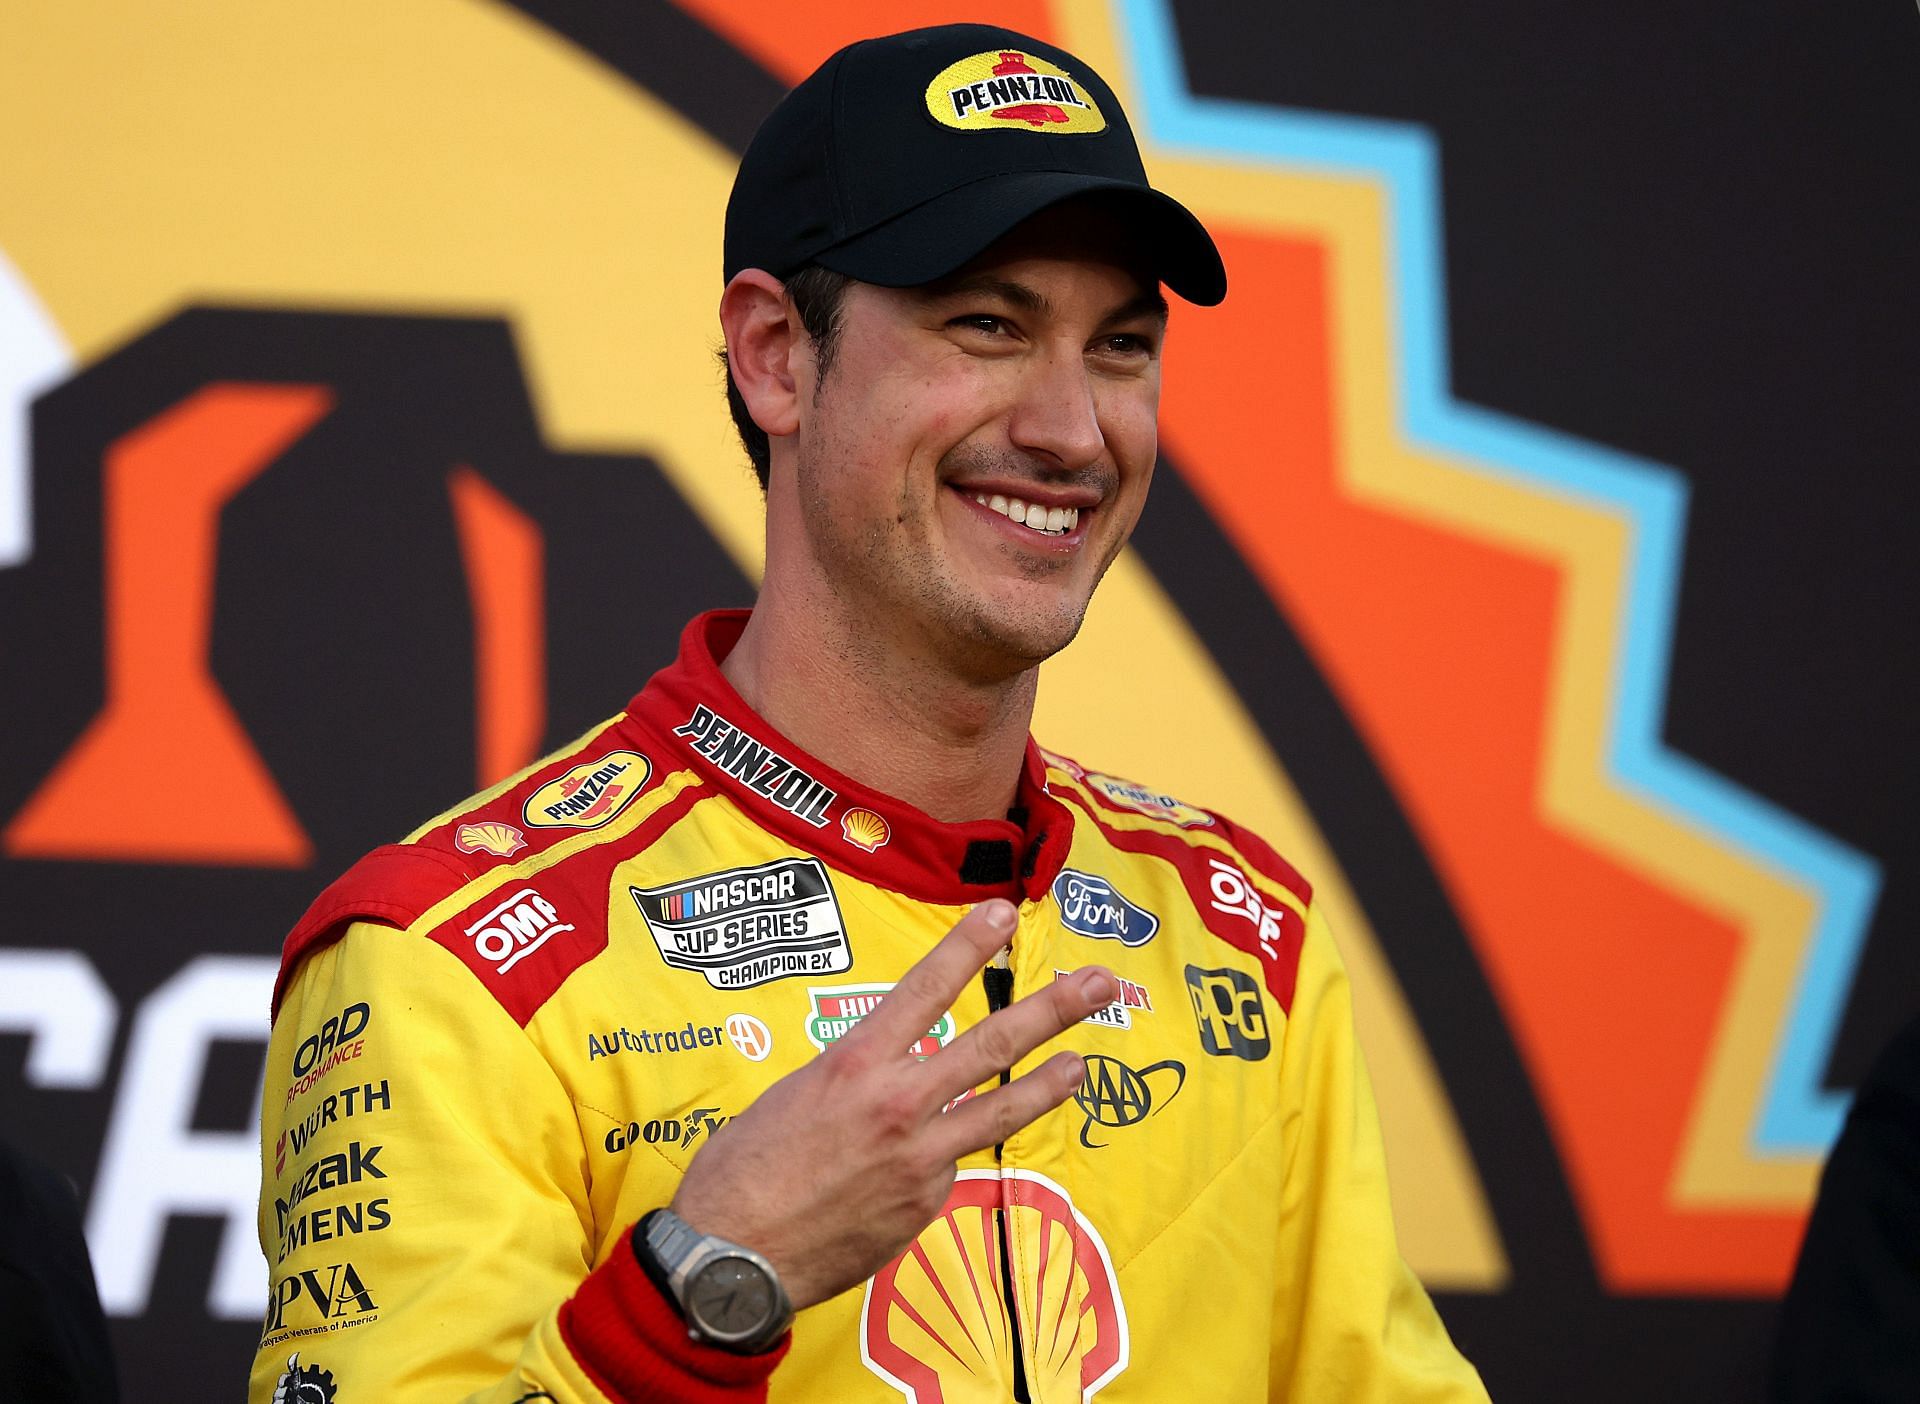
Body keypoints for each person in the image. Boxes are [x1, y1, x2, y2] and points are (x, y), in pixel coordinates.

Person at [250, 23, 1488, 1402]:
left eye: (1122, 346)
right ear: (776, 355)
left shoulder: (1243, 941)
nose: (1075, 430)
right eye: (989, 325)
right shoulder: (454, 972)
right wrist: (704, 1287)